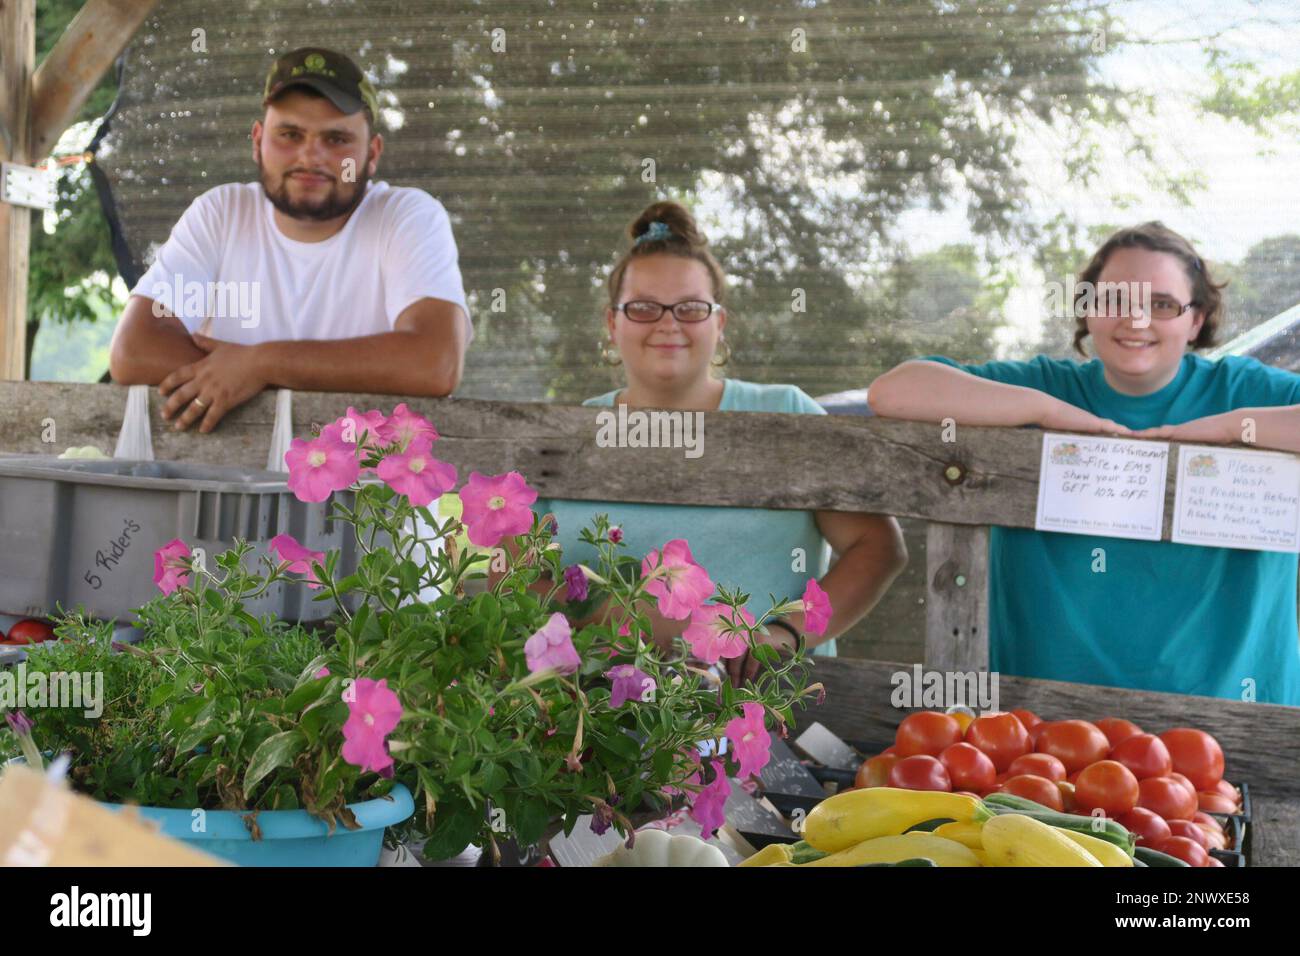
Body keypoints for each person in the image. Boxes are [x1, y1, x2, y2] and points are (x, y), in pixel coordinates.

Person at [869, 221, 1300, 704]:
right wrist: (1044, 411)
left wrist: (1232, 428)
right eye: (1115, 299)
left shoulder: (1249, 392)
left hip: (1239, 720)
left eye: (1161, 304)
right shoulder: (1044, 386)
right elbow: (892, 391)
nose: (1136, 321)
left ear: (1196, 320)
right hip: (1042, 721)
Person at [514, 201, 907, 684]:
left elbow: (878, 546)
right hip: (591, 724)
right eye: (642, 307)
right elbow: (516, 572)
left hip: (763, 720)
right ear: (611, 324)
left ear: (719, 324)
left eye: (691, 307)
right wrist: (591, 627)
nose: (668, 323)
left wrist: (786, 633)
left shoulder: (786, 413)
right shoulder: (566, 434)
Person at [109, 47, 471, 432]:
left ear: (372, 154)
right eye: (290, 134)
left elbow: (434, 363)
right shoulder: (222, 213)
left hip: (368, 487)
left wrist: (261, 364)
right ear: (257, 140)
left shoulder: (407, 216)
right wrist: (259, 369)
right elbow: (135, 349)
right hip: (235, 486)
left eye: (336, 139)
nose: (310, 156)